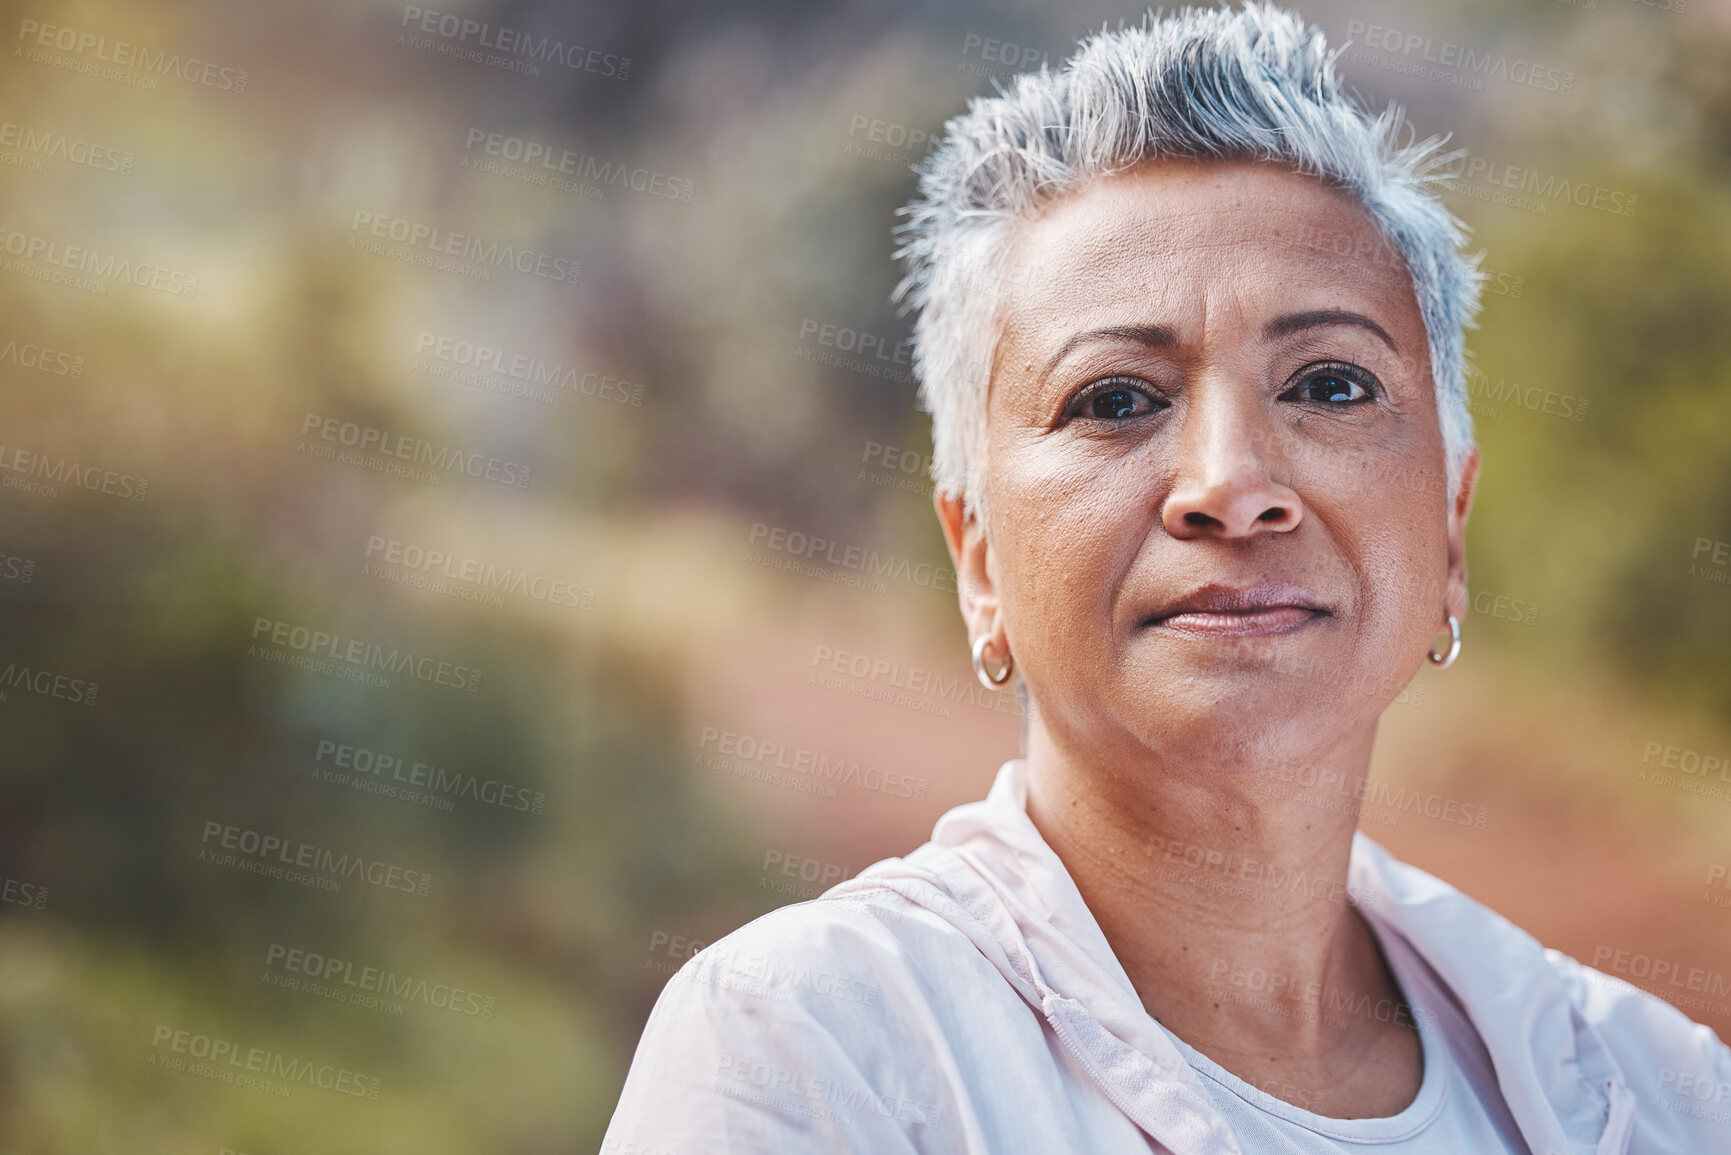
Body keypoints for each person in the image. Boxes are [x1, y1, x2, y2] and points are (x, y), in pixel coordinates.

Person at [601, 5, 1731, 1152]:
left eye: (1331, 385)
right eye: (1117, 399)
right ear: (979, 561)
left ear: (1449, 528)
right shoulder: (810, 1053)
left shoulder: (1662, 1093)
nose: (1233, 486)